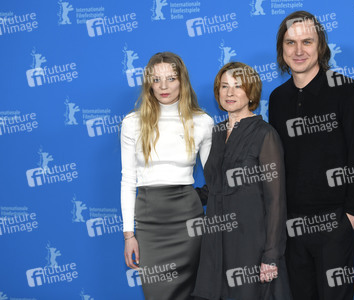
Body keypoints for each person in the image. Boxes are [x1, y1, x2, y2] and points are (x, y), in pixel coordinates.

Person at [269, 11, 354, 300]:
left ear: (321, 46)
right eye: (290, 43)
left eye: (307, 41)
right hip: (291, 227)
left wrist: (350, 215)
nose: (299, 50)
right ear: (281, 49)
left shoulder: (346, 90)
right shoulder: (278, 99)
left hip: (334, 224)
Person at [192, 62, 292, 300]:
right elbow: (215, 187)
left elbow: (276, 200)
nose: (229, 93)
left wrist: (271, 255)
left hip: (251, 242)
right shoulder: (216, 134)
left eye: (237, 87)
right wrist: (177, 196)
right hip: (216, 241)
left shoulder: (265, 134)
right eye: (224, 86)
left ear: (251, 93)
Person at [120, 52, 214, 300]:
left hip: (188, 221)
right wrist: (129, 235)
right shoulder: (132, 122)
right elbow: (128, 181)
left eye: (171, 78)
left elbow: (215, 180)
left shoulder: (202, 122)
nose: (163, 86)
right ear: (148, 83)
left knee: (192, 293)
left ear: (182, 80)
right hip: (149, 223)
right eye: (156, 79)